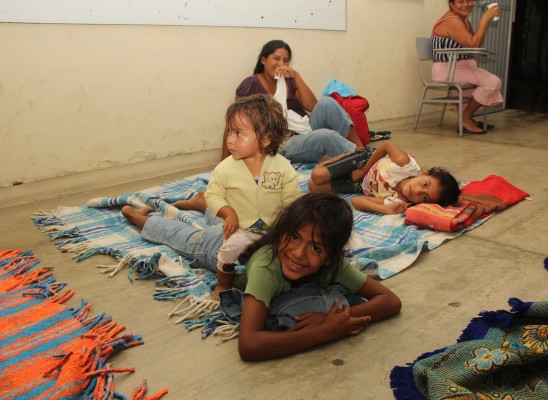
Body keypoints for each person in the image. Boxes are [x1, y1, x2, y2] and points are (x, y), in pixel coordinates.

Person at [122, 94, 300, 300]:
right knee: (189, 238)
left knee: (219, 211)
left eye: (238, 133)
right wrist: (228, 212)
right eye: (229, 132)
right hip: (235, 229)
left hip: (266, 230)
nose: (229, 139)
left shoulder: (283, 168)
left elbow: (292, 204)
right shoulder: (226, 168)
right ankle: (136, 216)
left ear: (266, 138)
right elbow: (215, 194)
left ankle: (201, 203)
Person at [222, 192, 402, 361]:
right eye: (294, 237)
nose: (299, 253)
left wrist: (333, 319)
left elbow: (390, 301)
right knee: (199, 241)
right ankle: (200, 203)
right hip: (221, 248)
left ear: (329, 257)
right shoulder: (266, 267)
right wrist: (324, 332)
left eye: (315, 248)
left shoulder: (334, 266)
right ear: (283, 231)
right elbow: (248, 344)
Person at [221, 39, 364, 164]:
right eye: (276, 58)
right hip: (282, 143)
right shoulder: (251, 84)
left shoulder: (289, 81)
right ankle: (361, 160)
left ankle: (360, 149)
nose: (281, 64)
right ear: (263, 60)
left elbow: (312, 106)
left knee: (327, 103)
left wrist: (296, 76)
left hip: (304, 130)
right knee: (327, 136)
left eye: (285, 60)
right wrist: (223, 163)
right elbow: (233, 124)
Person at [308, 142, 461, 214]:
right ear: (423, 173)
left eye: (425, 198)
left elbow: (356, 201)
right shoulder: (405, 165)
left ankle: (337, 166)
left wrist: (386, 209)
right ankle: (345, 156)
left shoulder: (399, 201)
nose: (417, 191)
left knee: (313, 187)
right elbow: (386, 145)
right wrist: (362, 171)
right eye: (425, 184)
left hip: (361, 185)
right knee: (317, 175)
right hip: (366, 161)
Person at [432, 0, 503, 134]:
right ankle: (466, 118)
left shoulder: (463, 19)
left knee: (485, 81)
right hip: (448, 69)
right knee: (493, 82)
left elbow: (476, 41)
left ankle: (467, 117)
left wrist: (484, 22)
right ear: (451, 4)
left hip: (459, 66)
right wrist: (484, 20)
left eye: (469, 0)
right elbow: (474, 45)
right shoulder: (452, 21)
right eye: (460, 1)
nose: (465, 4)